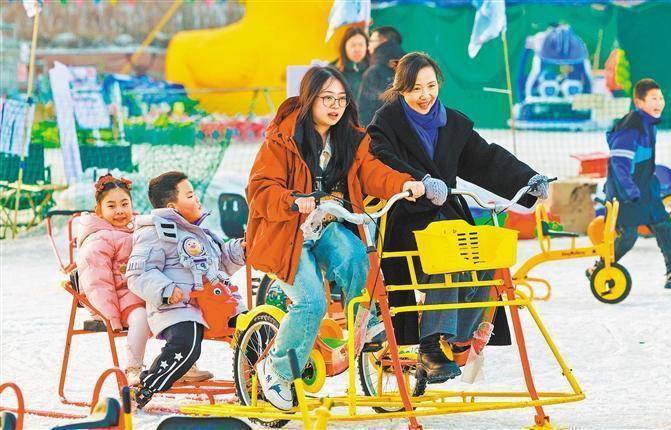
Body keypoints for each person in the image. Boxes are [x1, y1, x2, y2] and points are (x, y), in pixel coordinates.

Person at [245, 66, 425, 410]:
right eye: (326, 98)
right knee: (312, 302)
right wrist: (292, 200)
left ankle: (364, 323)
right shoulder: (282, 139)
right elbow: (260, 189)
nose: (335, 106)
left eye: (341, 99)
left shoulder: (349, 140)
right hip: (286, 233)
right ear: (309, 99)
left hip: (325, 226)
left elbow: (373, 172)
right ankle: (277, 370)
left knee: (356, 255)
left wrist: (403, 183)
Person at [367, 52, 549, 385]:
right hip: (408, 218)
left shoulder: (451, 123)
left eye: (431, 86)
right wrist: (420, 181)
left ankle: (461, 335)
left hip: (447, 215)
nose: (425, 95)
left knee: (488, 256)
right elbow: (382, 159)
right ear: (401, 89)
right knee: (447, 254)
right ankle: (430, 345)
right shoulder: (386, 124)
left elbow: (485, 158)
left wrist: (527, 179)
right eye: (415, 89)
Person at [126, 171, 247, 408]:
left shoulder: (200, 233)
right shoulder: (155, 232)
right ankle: (144, 387)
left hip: (216, 303)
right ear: (173, 207)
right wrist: (166, 289)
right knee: (187, 344)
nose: (197, 199)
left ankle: (254, 385)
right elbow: (138, 273)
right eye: (190, 196)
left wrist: (239, 250)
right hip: (179, 308)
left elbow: (219, 264)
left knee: (252, 327)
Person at [593, 78, 671, 289]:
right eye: (653, 99)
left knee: (663, 225)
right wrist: (630, 192)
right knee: (628, 236)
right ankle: (600, 268)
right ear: (639, 102)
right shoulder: (630, 128)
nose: (659, 103)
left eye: (661, 98)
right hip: (625, 192)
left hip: (645, 189)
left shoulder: (648, 124)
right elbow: (619, 165)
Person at [76, 174, 150, 387]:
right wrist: (110, 316)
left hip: (147, 291)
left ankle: (182, 363)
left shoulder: (142, 230)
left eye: (125, 204)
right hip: (121, 299)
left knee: (179, 310)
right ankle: (133, 368)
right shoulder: (99, 238)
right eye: (111, 206)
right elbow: (97, 281)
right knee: (141, 317)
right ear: (99, 210)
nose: (119, 210)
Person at [358, 26, 405, 125]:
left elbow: (365, 113)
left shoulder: (374, 72)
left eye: (371, 41)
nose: (368, 47)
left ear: (383, 41)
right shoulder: (410, 68)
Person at [331, 26, 369, 103]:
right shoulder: (332, 71)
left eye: (361, 45)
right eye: (353, 45)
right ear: (344, 47)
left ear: (367, 46)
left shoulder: (375, 69)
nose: (357, 49)